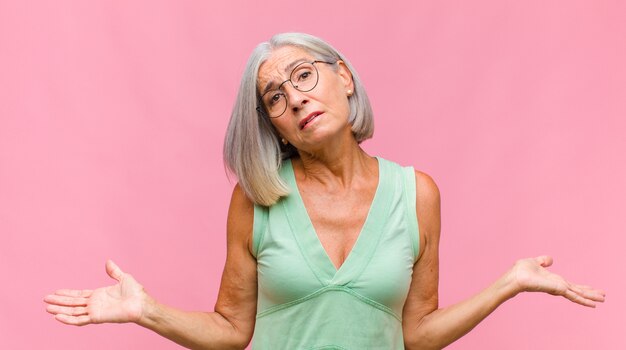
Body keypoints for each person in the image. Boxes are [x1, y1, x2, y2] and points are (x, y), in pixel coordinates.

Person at [44, 33, 605, 350]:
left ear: (345, 77)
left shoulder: (417, 194)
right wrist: (147, 312)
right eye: (274, 97)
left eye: (304, 75)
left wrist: (509, 284)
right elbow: (231, 329)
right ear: (273, 125)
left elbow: (415, 333)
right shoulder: (256, 199)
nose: (295, 98)